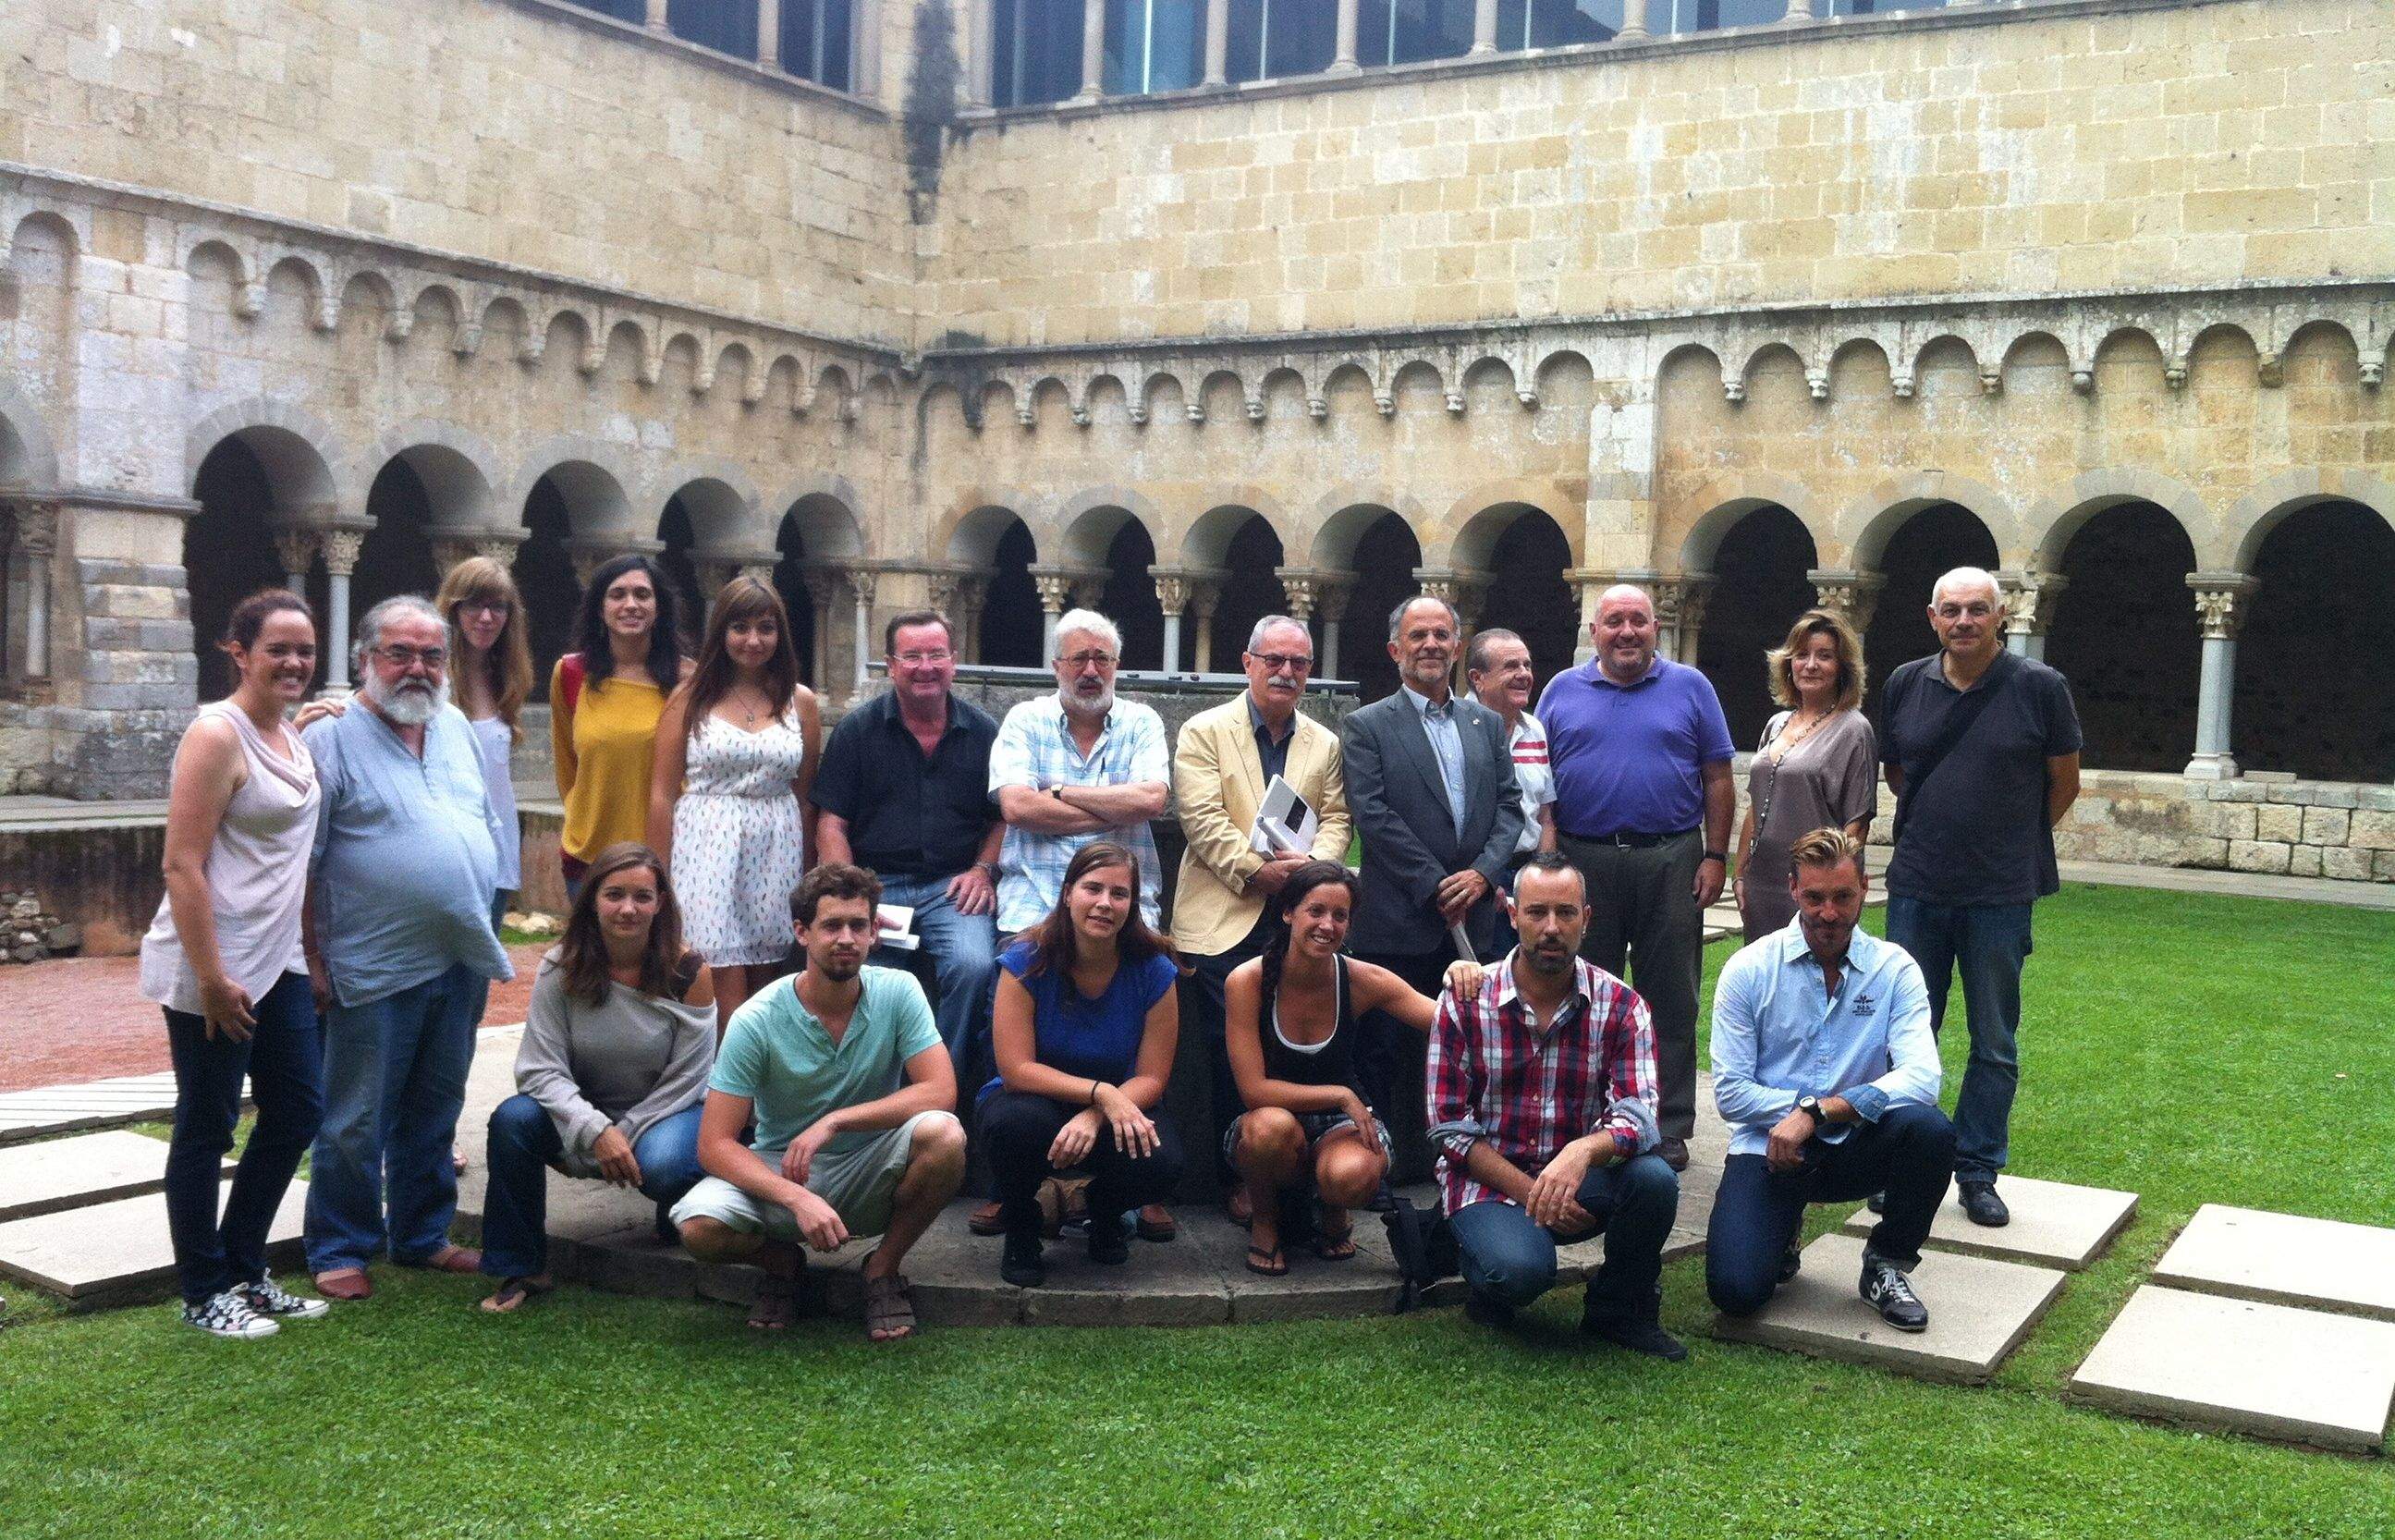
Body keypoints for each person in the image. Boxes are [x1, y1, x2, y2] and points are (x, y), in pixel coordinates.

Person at [300, 595, 515, 1301]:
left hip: (458, 954)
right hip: (370, 959)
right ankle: (340, 1245)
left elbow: (480, 821)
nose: (417, 668)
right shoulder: (329, 737)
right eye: (400, 653)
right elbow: (304, 859)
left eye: (431, 655)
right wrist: (313, 959)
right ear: (365, 659)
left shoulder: (453, 725)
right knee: (356, 1117)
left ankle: (421, 1235)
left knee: (436, 1104)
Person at [140, 589, 328, 1338]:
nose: (293, 662)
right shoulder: (216, 735)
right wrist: (212, 980)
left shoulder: (287, 735)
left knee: (296, 1110)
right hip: (213, 964)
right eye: (277, 648)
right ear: (239, 652)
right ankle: (202, 1290)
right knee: (207, 1125)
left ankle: (246, 1269)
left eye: (305, 650)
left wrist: (307, 956)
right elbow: (182, 866)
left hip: (274, 961)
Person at [673, 863, 966, 1342]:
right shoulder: (756, 1018)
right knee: (698, 1227)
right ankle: (782, 1263)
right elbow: (714, 1144)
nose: (845, 938)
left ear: (875, 932)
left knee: (945, 1134)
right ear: (801, 933)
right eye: (831, 926)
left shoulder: (899, 991)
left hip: (871, 1165)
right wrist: (797, 1198)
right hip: (783, 1172)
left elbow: (940, 1091)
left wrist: (836, 1121)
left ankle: (883, 1270)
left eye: (858, 925)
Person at [1878, 566, 2082, 1228]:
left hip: (1998, 892)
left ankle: (1977, 1168)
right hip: (1917, 886)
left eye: (1976, 609)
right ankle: (1904, 1161)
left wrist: (2007, 844)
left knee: (1994, 1037)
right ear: (1931, 617)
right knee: (1911, 1032)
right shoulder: (1906, 683)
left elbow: (2064, 781)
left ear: (2000, 616)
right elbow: (1898, 772)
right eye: (1950, 610)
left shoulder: (2039, 687)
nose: (1962, 621)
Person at [1426, 853, 1683, 1358]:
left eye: (1566, 914)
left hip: (1573, 1174)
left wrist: (1583, 1151)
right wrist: (1531, 1192)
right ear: (1511, 914)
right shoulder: (1464, 1001)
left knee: (1653, 1180)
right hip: (1489, 1181)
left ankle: (1619, 1309)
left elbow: (1639, 1113)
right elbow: (1449, 1128)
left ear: (1586, 919)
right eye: (1537, 912)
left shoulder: (1622, 1005)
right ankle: (1484, 1271)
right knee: (1521, 1273)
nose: (1551, 928)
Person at [1707, 829, 1954, 1329]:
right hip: (1772, 1151)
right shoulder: (1748, 970)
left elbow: (1923, 1076)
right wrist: (1797, 1115)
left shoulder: (1893, 968)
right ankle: (1783, 1230)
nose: (1829, 913)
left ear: (1865, 887)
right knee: (1736, 1293)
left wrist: (1819, 1112)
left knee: (1931, 1130)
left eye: (1843, 896)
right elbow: (1731, 1093)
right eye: (1815, 897)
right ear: (1793, 889)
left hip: (1856, 1145)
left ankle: (1886, 1263)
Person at [984, 608, 1172, 1235]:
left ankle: (1127, 1182)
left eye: (1103, 659)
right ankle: (1014, 1177)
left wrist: (1057, 795)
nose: (1090, 671)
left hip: (1126, 906)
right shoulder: (1024, 719)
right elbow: (1013, 805)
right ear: (1056, 666)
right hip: (1034, 905)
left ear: (1117, 666)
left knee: (1159, 984)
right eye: (1078, 659)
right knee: (996, 992)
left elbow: (1150, 800)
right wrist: (1099, 809)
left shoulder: (1141, 720)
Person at [1535, 582, 1734, 1172]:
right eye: (1614, 621)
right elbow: (1537, 777)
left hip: (1670, 858)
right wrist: (1547, 865)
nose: (1627, 632)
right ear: (1593, 632)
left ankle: (1667, 1124)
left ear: (1656, 629)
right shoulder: (1561, 691)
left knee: (1670, 996)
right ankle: (1584, 1119)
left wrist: (1715, 855)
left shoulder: (1690, 687)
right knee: (1579, 993)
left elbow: (1718, 776)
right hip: (1582, 861)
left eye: (1638, 622)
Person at [480, 843, 716, 1313]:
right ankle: (521, 1266)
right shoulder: (561, 965)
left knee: (668, 1163)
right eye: (614, 895)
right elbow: (538, 1068)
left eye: (642, 896)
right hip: (586, 1108)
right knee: (513, 1120)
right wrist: (592, 1130)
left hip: (665, 1109)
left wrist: (620, 1136)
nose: (628, 908)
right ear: (592, 900)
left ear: (660, 902)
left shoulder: (689, 971)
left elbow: (689, 1079)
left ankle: (679, 1209)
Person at [1169, 614, 1350, 1217]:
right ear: (1247, 663)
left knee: (1297, 1044)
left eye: (1298, 663)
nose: (1286, 672)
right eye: (1273, 660)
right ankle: (1239, 1174)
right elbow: (1201, 819)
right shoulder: (1203, 730)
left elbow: (1336, 820)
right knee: (1233, 1050)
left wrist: (1310, 872)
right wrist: (1257, 872)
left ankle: (1296, 1165)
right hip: (1225, 913)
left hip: (1300, 916)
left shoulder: (1321, 742)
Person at [1222, 862, 1477, 1275]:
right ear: (1288, 912)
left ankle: (1334, 1208)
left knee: (1353, 1174)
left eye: (1340, 916)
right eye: (1316, 911)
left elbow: (1448, 1021)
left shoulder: (1361, 979)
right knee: (1268, 1128)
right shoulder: (1247, 981)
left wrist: (1459, 975)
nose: (1327, 925)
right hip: (1272, 1118)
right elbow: (1253, 1091)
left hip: (1341, 1125)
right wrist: (1341, 1094)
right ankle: (1266, 1221)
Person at [1339, 594, 1521, 1171]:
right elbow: (1371, 815)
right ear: (1396, 650)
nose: (1431, 646)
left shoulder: (1486, 724)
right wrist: (1438, 883)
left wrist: (1483, 874)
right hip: (1399, 921)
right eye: (1418, 636)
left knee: (1473, 1044)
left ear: (1458, 648)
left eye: (1442, 635)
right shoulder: (1367, 725)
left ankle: (1465, 1156)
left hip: (1477, 918)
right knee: (1389, 1048)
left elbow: (1511, 808)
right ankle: (1387, 1165)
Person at [979, 842, 1184, 1289]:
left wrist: (1099, 1110)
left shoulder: (1153, 970)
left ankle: (1104, 1209)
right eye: (1093, 889)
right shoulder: (1025, 960)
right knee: (1013, 1125)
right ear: (1068, 893)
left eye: (1120, 893)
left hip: (1117, 1103)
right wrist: (1100, 1093)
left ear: (1133, 904)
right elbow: (1016, 1068)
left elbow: (1152, 1077)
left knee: (1163, 1160)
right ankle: (1022, 1225)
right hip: (1033, 1098)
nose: (1105, 904)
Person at [813, 607, 1001, 1083]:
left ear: (954, 662)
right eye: (911, 656)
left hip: (950, 888)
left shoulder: (983, 733)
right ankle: (870, 1092)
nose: (925, 667)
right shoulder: (857, 731)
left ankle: (940, 1086)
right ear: (891, 665)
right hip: (876, 885)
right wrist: (851, 894)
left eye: (936, 655)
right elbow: (831, 823)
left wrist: (983, 869)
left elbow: (1004, 818)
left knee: (975, 966)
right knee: (861, 966)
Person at [648, 576, 819, 1030]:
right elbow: (663, 793)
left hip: (775, 843)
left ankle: (758, 1091)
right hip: (706, 842)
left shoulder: (800, 702)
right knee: (718, 973)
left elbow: (804, 799)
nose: (753, 640)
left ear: (780, 634)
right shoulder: (689, 698)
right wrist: (658, 878)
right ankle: (724, 1086)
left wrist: (807, 878)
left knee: (768, 980)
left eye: (766, 627)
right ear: (720, 631)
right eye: (740, 627)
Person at [551, 554, 690, 898]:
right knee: (592, 954)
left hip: (665, 858)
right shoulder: (570, 674)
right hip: (589, 859)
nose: (631, 605)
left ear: (659, 608)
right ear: (600, 608)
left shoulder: (686, 679)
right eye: (617, 595)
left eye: (642, 595)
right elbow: (567, 766)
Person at [1734, 609, 1877, 944]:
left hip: (1813, 886)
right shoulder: (1777, 724)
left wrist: (1833, 889)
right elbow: (1756, 806)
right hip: (1763, 881)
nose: (1810, 665)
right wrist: (1740, 874)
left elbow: (1857, 823)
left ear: (1842, 667)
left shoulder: (1854, 729)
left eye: (1824, 656)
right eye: (1802, 655)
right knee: (1766, 980)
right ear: (1788, 663)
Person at [434, 556, 533, 950]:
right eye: (474, 605)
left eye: (498, 606)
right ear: (454, 610)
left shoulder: (506, 680)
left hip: (497, 846)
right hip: (447, 849)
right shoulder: (434, 680)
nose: (487, 617)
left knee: (475, 985)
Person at [1463, 626, 1557, 952]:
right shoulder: (1456, 730)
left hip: (1527, 874)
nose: (1523, 674)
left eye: (1527, 665)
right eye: (1511, 666)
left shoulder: (1535, 730)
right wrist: (1488, 879)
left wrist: (1544, 881)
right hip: (1475, 878)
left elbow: (1545, 815)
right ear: (1478, 679)